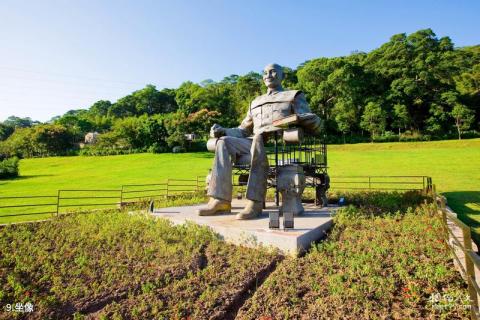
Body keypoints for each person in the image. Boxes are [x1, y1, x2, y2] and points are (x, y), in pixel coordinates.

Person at [197, 63, 321, 219]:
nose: (268, 75)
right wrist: (223, 130)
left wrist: (296, 120)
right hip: (254, 142)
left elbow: (312, 121)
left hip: (278, 145)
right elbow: (243, 130)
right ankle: (220, 200)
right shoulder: (255, 102)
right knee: (223, 141)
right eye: (265, 73)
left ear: (283, 76)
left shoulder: (293, 96)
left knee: (257, 139)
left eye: (273, 72)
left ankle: (254, 202)